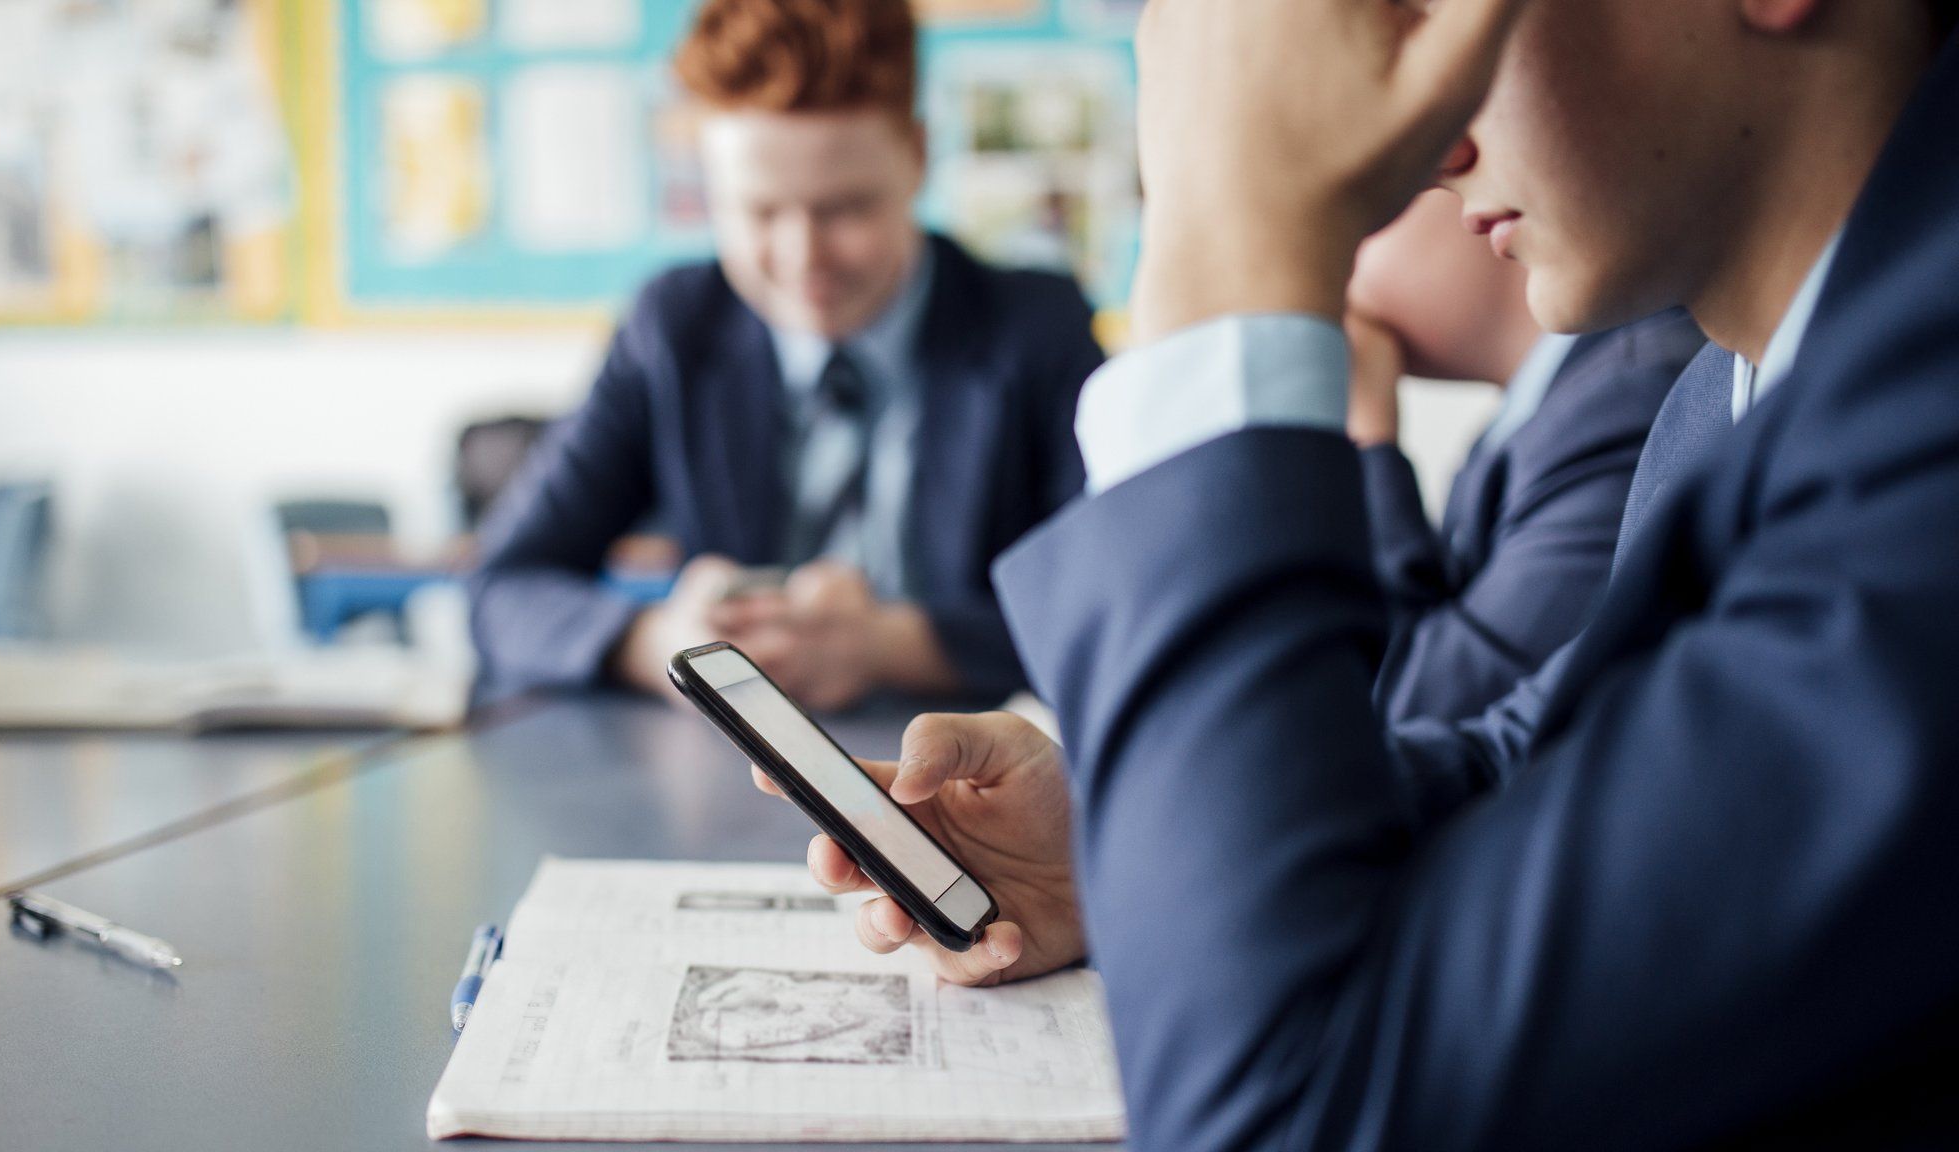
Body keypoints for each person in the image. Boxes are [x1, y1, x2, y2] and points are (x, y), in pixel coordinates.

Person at [765, 0, 1959, 1145]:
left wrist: (1231, 246)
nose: (1431, 151)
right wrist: (1125, 846)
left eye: (1445, 10)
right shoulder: (1731, 393)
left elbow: (1288, 1112)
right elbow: (1530, 764)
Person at [468, 0, 1102, 711]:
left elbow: (1112, 610)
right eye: (760, 212)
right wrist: (665, 648)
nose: (804, 259)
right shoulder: (675, 328)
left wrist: (891, 644)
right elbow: (502, 589)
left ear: (919, 156)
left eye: (846, 209)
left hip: (973, 784)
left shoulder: (1036, 329)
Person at [1346, 188, 1701, 726]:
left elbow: (1405, 718)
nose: (1326, 281)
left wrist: (1363, 441)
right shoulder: (1515, 436)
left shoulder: (1630, 402)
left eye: (1353, 214)